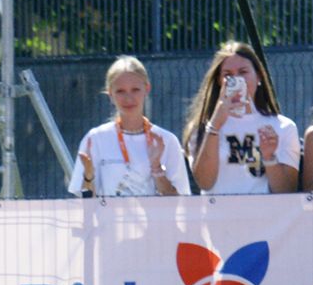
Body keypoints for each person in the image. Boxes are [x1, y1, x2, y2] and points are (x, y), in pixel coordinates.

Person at [183, 41, 299, 195]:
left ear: (259, 77)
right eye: (228, 75)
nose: (237, 80)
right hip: (218, 216)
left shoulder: (283, 127)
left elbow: (286, 190)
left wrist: (270, 158)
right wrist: (215, 125)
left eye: (243, 72)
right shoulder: (202, 128)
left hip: (266, 216)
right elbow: (205, 183)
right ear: (219, 81)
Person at [69, 56, 190, 198]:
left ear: (147, 89)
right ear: (110, 94)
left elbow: (180, 202)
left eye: (135, 90)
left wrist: (157, 169)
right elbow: (86, 202)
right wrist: (88, 177)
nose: (128, 98)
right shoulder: (95, 139)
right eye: (120, 91)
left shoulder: (166, 140)